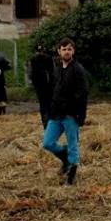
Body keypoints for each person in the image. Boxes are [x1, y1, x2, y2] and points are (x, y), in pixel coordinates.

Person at [41, 38, 89, 186]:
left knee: (73, 144)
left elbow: (83, 92)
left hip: (71, 114)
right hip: (56, 114)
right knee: (47, 143)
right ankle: (66, 159)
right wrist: (49, 112)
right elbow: (53, 91)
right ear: (59, 51)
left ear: (73, 51)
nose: (66, 52)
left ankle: (71, 177)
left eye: (69, 49)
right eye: (64, 49)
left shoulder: (78, 69)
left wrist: (80, 114)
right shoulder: (57, 69)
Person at [28, 45, 54, 128]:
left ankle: (45, 121)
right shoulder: (49, 58)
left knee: (43, 103)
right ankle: (50, 120)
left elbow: (30, 73)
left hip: (39, 85)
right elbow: (53, 71)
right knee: (49, 103)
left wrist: (32, 82)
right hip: (49, 84)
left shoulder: (33, 59)